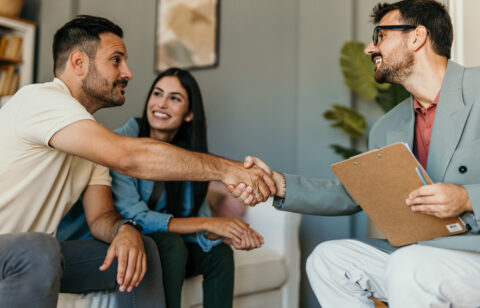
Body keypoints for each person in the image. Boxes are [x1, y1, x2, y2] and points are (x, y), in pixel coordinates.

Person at [0, 15, 275, 308]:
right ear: (79, 63)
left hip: (41, 258)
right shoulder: (39, 99)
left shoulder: (90, 139)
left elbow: (101, 218)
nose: (128, 73)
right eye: (116, 60)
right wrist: (228, 171)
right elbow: (129, 158)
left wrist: (125, 230)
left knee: (144, 248)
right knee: (40, 247)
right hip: (18, 251)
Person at [231, 0, 480, 307]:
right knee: (327, 260)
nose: (369, 48)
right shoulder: (387, 127)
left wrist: (467, 198)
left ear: (417, 37)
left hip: (472, 251)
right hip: (423, 252)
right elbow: (356, 195)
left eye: (380, 35)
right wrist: (278, 184)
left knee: (409, 265)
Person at [58, 68, 264, 308]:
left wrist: (233, 232)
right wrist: (209, 223)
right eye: (157, 94)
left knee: (218, 255)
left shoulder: (190, 159)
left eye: (174, 98)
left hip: (154, 245)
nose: (162, 104)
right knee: (169, 244)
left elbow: (197, 220)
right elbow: (134, 218)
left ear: (189, 114)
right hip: (104, 242)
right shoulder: (119, 145)